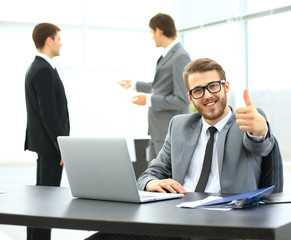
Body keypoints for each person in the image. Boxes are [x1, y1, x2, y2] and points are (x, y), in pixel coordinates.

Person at [86, 58, 277, 240]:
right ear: (190, 97)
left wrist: (260, 131)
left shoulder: (248, 121)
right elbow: (151, 172)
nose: (207, 95)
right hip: (175, 222)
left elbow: (261, 145)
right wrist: (151, 183)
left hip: (223, 226)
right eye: (198, 90)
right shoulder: (179, 126)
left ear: (225, 86)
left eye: (213, 86)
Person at [118, 13, 191, 160]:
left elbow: (182, 99)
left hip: (169, 132)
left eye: (152, 32)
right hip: (157, 131)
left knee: (164, 178)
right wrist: (134, 84)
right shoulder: (168, 55)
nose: (152, 37)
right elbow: (160, 86)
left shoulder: (180, 57)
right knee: (153, 177)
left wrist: (149, 100)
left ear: (159, 31)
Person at [24, 22, 70, 240]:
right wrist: (61, 146)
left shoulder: (39, 67)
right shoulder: (43, 70)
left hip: (46, 145)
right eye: (59, 38)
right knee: (46, 204)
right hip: (51, 148)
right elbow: (48, 114)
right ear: (49, 40)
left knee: (42, 202)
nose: (61, 43)